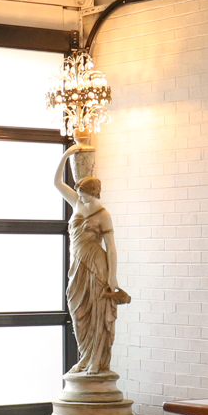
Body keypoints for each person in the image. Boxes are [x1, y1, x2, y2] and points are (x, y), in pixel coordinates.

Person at [53, 143, 131, 376]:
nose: (80, 197)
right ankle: (84, 357)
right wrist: (66, 155)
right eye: (79, 194)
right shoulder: (78, 203)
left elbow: (112, 248)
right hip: (77, 265)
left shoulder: (103, 215)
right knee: (77, 310)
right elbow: (56, 183)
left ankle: (95, 360)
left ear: (94, 193)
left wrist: (112, 277)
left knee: (97, 313)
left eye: (84, 194)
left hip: (96, 266)